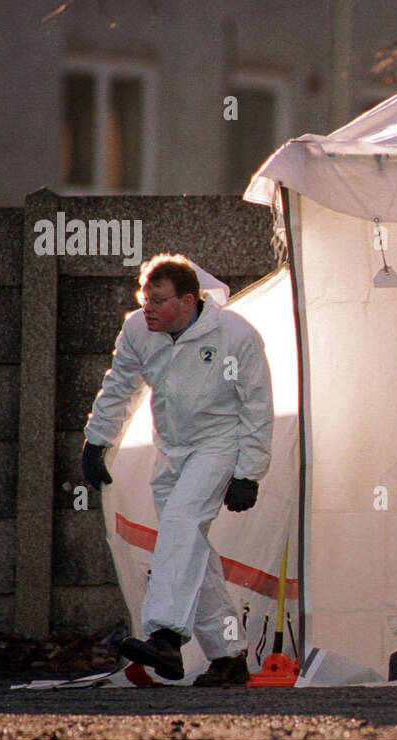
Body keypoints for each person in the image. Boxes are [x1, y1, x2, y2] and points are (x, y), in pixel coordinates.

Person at [81, 253, 273, 687]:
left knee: (182, 524)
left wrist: (249, 472)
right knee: (191, 551)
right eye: (144, 297)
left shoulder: (236, 336)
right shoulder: (137, 330)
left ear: (188, 302)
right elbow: (120, 384)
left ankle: (165, 635)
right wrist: (97, 440)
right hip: (172, 448)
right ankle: (229, 655)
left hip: (219, 444)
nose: (147, 308)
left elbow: (257, 407)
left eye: (159, 300)